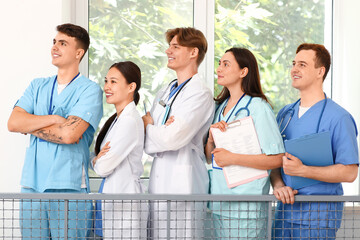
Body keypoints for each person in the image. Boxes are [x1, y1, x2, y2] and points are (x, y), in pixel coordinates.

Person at [7, 23, 103, 239]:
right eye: (54, 42)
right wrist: (53, 120)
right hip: (33, 185)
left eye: (63, 43)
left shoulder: (90, 91)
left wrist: (31, 126)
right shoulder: (37, 86)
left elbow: (69, 135)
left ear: (79, 53)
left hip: (68, 185)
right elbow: (13, 123)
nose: (54, 47)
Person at [271, 43, 359, 239]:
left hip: (317, 216)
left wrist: (304, 170)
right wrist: (278, 185)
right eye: (294, 64)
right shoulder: (286, 114)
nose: (294, 69)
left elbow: (350, 171)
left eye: (302, 64)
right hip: (284, 213)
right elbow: (273, 161)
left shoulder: (338, 118)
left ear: (320, 71)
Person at [204, 48, 285, 239]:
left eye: (226, 64)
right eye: (219, 63)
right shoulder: (220, 107)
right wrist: (210, 139)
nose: (219, 69)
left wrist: (232, 158)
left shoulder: (258, 107)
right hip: (221, 202)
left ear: (243, 72)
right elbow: (210, 158)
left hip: (246, 206)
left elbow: (277, 159)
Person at [142, 27, 214, 239]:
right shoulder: (167, 89)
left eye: (175, 47)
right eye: (169, 46)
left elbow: (172, 138)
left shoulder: (199, 93)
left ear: (193, 53)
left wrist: (151, 127)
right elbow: (151, 137)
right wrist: (158, 130)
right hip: (160, 177)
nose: (168, 51)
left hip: (185, 180)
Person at [91, 61, 147, 239]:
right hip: (115, 200)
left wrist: (95, 160)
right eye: (106, 81)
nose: (107, 87)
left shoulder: (129, 121)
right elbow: (99, 160)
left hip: (125, 203)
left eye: (113, 82)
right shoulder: (118, 119)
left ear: (131, 87)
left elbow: (103, 167)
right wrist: (97, 159)